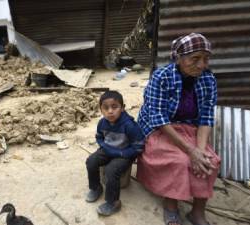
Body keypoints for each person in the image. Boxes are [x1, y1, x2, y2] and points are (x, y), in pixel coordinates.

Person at [137, 33, 220, 225]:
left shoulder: (209, 80)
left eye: (206, 59)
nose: (202, 65)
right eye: (195, 59)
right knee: (179, 160)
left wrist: (199, 150)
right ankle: (171, 205)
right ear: (179, 58)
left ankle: (198, 211)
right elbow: (159, 118)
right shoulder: (161, 77)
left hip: (188, 127)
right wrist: (190, 151)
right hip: (161, 129)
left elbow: (206, 118)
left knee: (210, 161)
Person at [85, 90, 144, 216]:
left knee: (111, 170)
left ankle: (113, 202)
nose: (110, 111)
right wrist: (104, 147)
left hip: (125, 153)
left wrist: (123, 154)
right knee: (91, 161)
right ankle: (96, 188)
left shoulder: (129, 125)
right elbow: (99, 137)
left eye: (114, 107)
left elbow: (138, 147)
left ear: (122, 108)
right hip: (108, 149)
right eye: (105, 108)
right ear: (101, 109)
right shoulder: (102, 123)